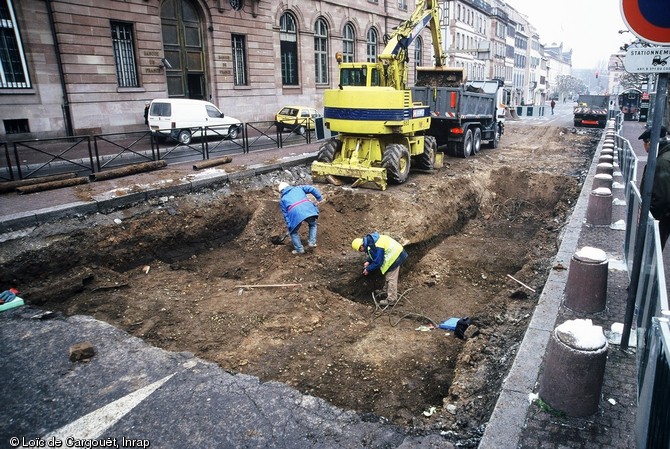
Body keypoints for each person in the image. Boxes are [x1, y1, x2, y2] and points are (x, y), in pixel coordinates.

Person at [351, 232, 408, 306]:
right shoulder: (370, 242)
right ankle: (386, 291)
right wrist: (369, 261)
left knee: (391, 278)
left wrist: (368, 269)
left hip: (395, 256)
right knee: (388, 276)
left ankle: (392, 299)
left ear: (361, 246)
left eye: (360, 250)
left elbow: (378, 262)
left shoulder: (376, 245)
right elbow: (374, 253)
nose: (361, 251)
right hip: (395, 252)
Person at [639, 125, 670, 249]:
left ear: (650, 143)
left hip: (664, 216)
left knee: (653, 248)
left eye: (645, 144)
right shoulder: (664, 155)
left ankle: (649, 268)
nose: (645, 148)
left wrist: (651, 218)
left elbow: (662, 197)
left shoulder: (661, 162)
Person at [278, 181, 324, 255]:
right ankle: (312, 243)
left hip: (295, 214)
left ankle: (299, 250)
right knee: (313, 225)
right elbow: (311, 189)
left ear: (281, 191)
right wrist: (319, 198)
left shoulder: (283, 200)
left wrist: (290, 226)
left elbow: (286, 215)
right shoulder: (299, 188)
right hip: (308, 209)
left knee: (293, 232)